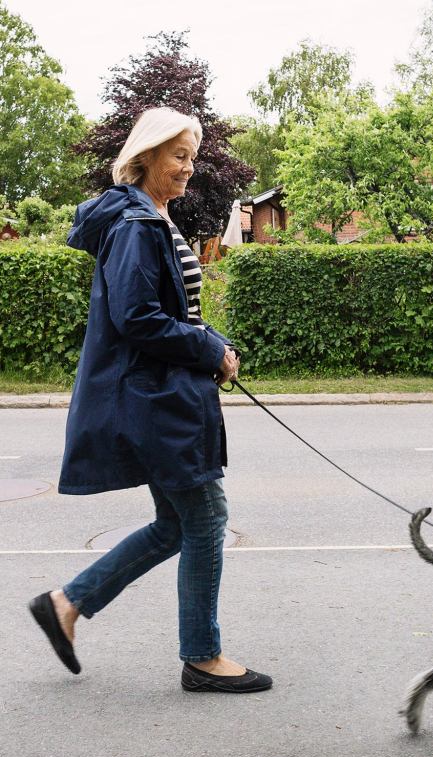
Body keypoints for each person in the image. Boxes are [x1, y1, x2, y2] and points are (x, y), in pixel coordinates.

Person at [28, 107, 272, 693]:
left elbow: (177, 312)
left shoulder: (154, 215)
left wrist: (212, 343)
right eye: (179, 156)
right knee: (207, 519)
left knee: (174, 524)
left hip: (164, 393)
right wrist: (209, 350)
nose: (189, 167)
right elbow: (137, 317)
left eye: (193, 156)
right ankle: (202, 657)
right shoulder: (138, 224)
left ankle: (66, 604)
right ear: (145, 159)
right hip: (155, 397)